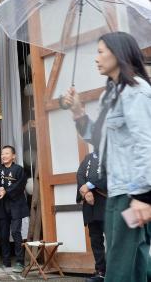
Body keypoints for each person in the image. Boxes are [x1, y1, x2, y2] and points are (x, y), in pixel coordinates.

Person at [63, 32, 151, 282]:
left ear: (119, 53)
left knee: (121, 263)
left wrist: (143, 196)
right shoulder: (109, 94)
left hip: (132, 193)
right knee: (134, 259)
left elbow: (146, 144)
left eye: (101, 51)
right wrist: (78, 111)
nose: (96, 58)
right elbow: (100, 140)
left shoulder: (137, 91)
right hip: (117, 193)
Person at [0, 145, 29, 274]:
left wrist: (6, 191)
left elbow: (20, 185)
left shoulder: (19, 169)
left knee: (16, 232)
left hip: (16, 204)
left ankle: (19, 261)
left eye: (7, 153)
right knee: (3, 234)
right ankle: (6, 260)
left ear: (13, 156)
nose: (4, 156)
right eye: (2, 153)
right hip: (2, 205)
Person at [76, 151, 107, 282]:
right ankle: (101, 271)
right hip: (90, 205)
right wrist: (86, 192)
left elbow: (107, 175)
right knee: (95, 240)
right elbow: (80, 174)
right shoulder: (88, 157)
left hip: (106, 201)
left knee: (113, 239)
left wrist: (88, 186)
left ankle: (114, 272)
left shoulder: (110, 152)